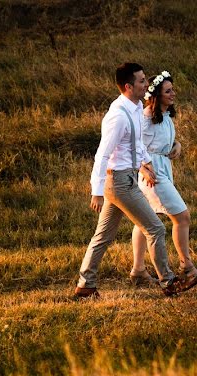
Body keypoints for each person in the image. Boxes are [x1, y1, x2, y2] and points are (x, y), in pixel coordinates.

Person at [74, 63, 179, 298]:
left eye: (145, 80)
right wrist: (97, 191)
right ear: (128, 86)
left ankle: (85, 285)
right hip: (119, 182)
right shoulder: (118, 117)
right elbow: (102, 154)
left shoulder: (136, 106)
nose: (146, 84)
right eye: (141, 81)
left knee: (102, 236)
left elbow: (137, 143)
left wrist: (146, 164)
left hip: (128, 177)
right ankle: (168, 282)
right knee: (156, 229)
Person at [131, 71, 197, 290]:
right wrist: (143, 169)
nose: (173, 94)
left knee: (145, 220)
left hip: (164, 167)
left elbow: (165, 141)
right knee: (182, 216)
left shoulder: (165, 115)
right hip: (152, 173)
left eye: (173, 89)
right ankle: (188, 267)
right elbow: (133, 146)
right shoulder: (145, 117)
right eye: (168, 91)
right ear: (156, 95)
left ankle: (137, 270)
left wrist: (177, 146)